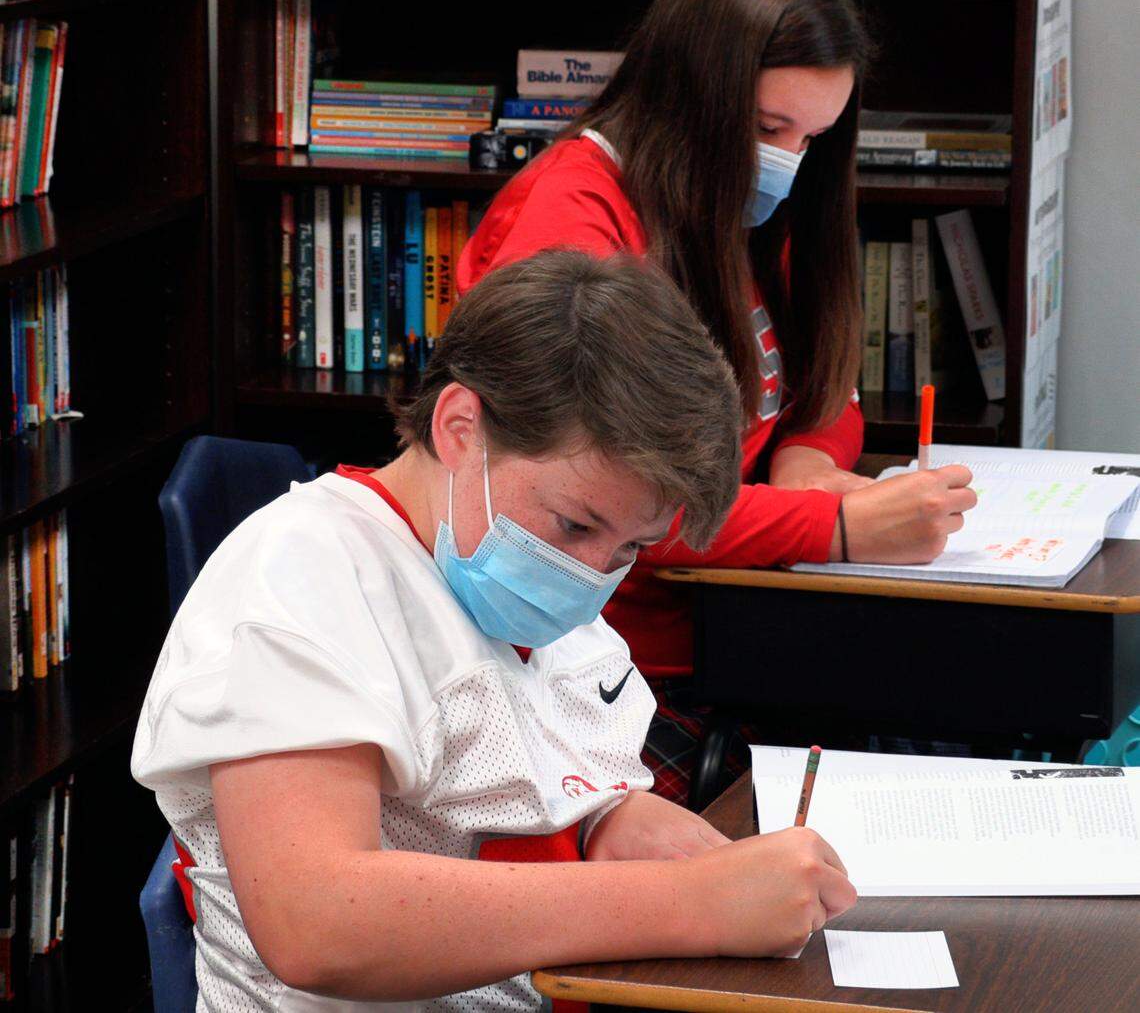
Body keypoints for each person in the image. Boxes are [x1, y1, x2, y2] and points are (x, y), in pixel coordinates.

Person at [131, 252, 857, 1011]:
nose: (592, 573)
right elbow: (317, 921)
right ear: (458, 428)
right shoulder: (301, 573)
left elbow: (520, 773)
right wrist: (690, 900)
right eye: (575, 524)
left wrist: (607, 817)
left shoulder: (511, 570)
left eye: (631, 547)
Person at [457, 0, 977, 799]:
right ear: (693, 91)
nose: (788, 159)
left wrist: (807, 455)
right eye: (770, 128)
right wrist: (837, 528)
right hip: (606, 669)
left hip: (740, 632)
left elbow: (819, 376)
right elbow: (620, 507)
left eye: (811, 137)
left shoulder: (726, 201)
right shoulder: (579, 217)